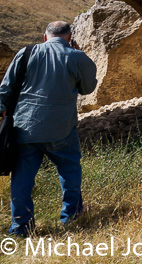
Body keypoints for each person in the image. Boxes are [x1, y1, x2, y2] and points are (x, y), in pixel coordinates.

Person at [0, 21, 97, 236]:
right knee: (69, 172)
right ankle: (72, 218)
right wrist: (80, 58)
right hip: (61, 127)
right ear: (69, 37)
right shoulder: (77, 57)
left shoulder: (25, 53)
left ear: (45, 37)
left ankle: (21, 227)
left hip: (25, 127)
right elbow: (87, 88)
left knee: (22, 179)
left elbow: (5, 88)